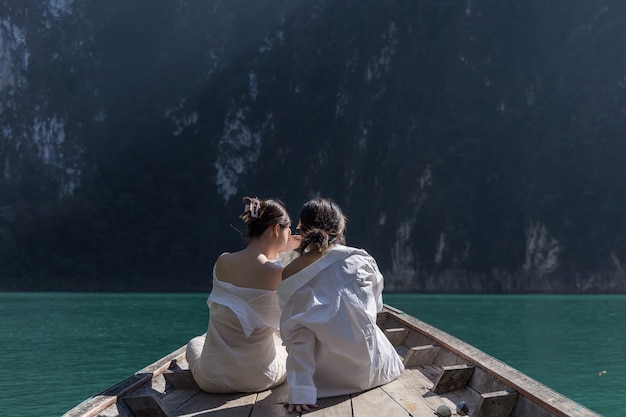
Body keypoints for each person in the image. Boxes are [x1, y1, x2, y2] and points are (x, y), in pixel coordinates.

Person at [278, 198, 404, 413]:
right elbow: (376, 308)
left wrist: (300, 392)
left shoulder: (291, 271)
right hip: (374, 369)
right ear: (340, 227)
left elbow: (298, 336)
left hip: (325, 382)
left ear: (301, 229)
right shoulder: (362, 260)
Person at [186, 196, 299, 393]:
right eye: (288, 229)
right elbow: (288, 325)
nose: (291, 234)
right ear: (275, 229)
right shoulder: (276, 274)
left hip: (211, 380)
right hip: (260, 377)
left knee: (194, 343)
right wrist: (291, 252)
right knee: (282, 347)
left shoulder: (222, 262)